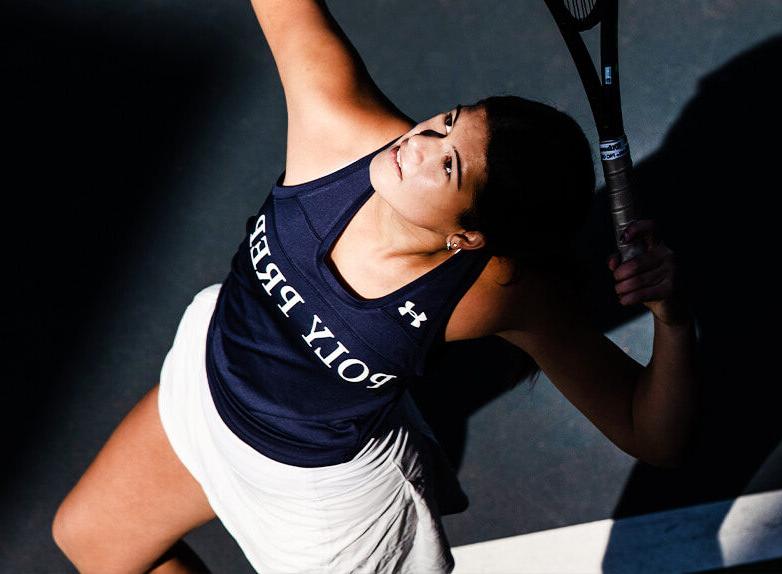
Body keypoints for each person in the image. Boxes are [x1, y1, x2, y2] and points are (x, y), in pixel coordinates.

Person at [51, 1, 698, 572]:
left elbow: (652, 435)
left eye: (446, 166)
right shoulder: (334, 125)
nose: (417, 143)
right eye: (447, 121)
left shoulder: (495, 292)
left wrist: (671, 319)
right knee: (90, 540)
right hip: (211, 388)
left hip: (322, 502)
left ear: (467, 238)